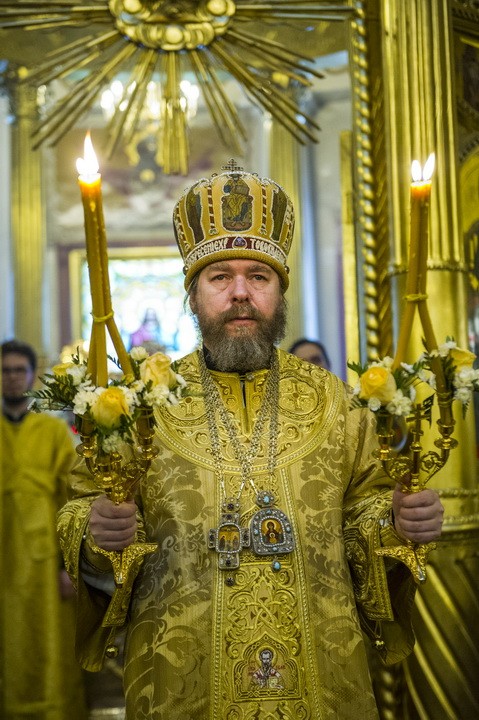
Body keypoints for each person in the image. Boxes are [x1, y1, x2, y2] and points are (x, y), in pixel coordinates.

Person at [57, 163, 444, 719]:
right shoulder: (140, 406)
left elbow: (366, 513)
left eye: (259, 277)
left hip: (322, 682)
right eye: (220, 277)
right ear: (193, 295)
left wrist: (398, 523)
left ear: (280, 290)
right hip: (184, 688)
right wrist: (99, 534)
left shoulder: (337, 402)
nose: (240, 293)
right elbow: (83, 510)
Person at [0, 340, 88, 719]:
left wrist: (68, 565)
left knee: (49, 641)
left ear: (32, 375)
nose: (12, 377)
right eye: (5, 371)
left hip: (45, 560)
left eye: (18, 370)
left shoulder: (52, 432)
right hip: (4, 557)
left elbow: (72, 501)